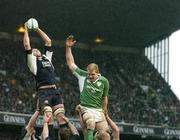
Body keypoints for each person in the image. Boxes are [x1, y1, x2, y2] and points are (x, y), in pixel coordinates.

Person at [23, 20, 75, 138]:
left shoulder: (47, 58)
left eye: (37, 49)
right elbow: (27, 45)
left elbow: (48, 41)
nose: (35, 50)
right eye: (33, 50)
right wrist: (26, 28)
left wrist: (36, 29)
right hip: (44, 92)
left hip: (55, 91)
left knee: (61, 117)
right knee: (48, 116)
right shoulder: (33, 63)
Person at [65, 35, 110, 140]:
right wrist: (68, 47)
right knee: (90, 123)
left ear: (97, 73)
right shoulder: (83, 76)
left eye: (92, 75)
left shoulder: (104, 81)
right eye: (89, 74)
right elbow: (70, 63)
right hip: (86, 108)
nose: (90, 76)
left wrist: (104, 109)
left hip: (98, 110)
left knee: (105, 135)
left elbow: (105, 97)